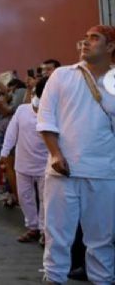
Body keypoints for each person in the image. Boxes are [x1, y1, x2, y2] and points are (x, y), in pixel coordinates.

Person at [37, 25, 115, 284]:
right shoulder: (61, 75)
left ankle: (102, 280)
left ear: (110, 47)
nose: (86, 42)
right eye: (86, 37)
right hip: (63, 170)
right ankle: (54, 278)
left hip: (104, 172)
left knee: (102, 240)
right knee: (57, 236)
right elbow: (46, 117)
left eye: (95, 38)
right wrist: (56, 155)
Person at [0, 77, 49, 243]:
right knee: (25, 196)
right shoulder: (22, 110)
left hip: (45, 164)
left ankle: (44, 230)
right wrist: (5, 153)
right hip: (23, 163)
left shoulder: (53, 112)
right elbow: (11, 133)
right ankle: (32, 227)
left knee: (44, 199)